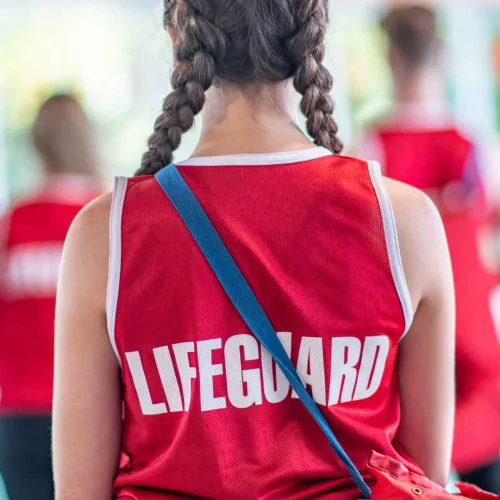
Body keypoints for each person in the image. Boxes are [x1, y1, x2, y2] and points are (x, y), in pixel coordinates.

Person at [52, 2, 455, 499]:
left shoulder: (105, 234)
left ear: (179, 43)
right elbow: (424, 479)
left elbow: (79, 492)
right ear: (315, 36)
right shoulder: (403, 221)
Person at [358, 5, 500, 493]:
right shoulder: (471, 146)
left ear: (390, 59)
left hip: (404, 337)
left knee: (415, 469)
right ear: (438, 54)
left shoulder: (368, 152)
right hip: (475, 334)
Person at [0, 94, 101, 500]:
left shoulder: (11, 225)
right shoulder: (108, 218)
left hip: (19, 413)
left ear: (37, 144)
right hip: (95, 413)